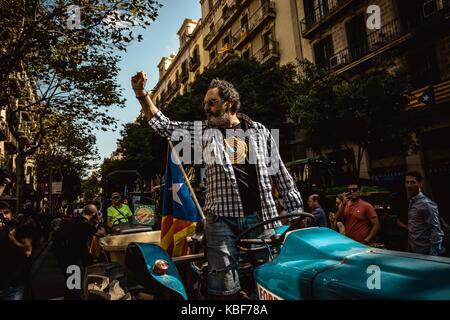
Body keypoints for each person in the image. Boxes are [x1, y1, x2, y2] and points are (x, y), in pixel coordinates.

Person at [132, 72, 304, 299]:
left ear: (229, 103)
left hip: (263, 218)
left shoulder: (260, 131)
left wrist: (296, 213)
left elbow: (280, 172)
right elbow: (165, 126)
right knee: (223, 286)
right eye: (205, 104)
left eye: (211, 103)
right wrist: (141, 94)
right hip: (220, 221)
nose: (206, 108)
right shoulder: (203, 131)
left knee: (269, 280)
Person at [53, 203, 106, 299]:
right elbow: (102, 233)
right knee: (75, 288)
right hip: (74, 260)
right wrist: (98, 220)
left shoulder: (74, 220)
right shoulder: (85, 225)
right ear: (93, 214)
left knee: (71, 287)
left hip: (64, 258)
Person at [0, 202, 36, 300]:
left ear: (11, 213)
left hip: (13, 286)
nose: (3, 216)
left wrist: (13, 240)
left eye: (6, 212)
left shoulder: (20, 229)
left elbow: (28, 251)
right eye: (0, 214)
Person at [405, 172, 445, 256]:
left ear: (420, 184)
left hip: (425, 252)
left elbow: (436, 231)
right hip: (415, 250)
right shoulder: (411, 201)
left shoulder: (426, 204)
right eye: (407, 182)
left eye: (412, 182)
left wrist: (432, 256)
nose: (409, 185)